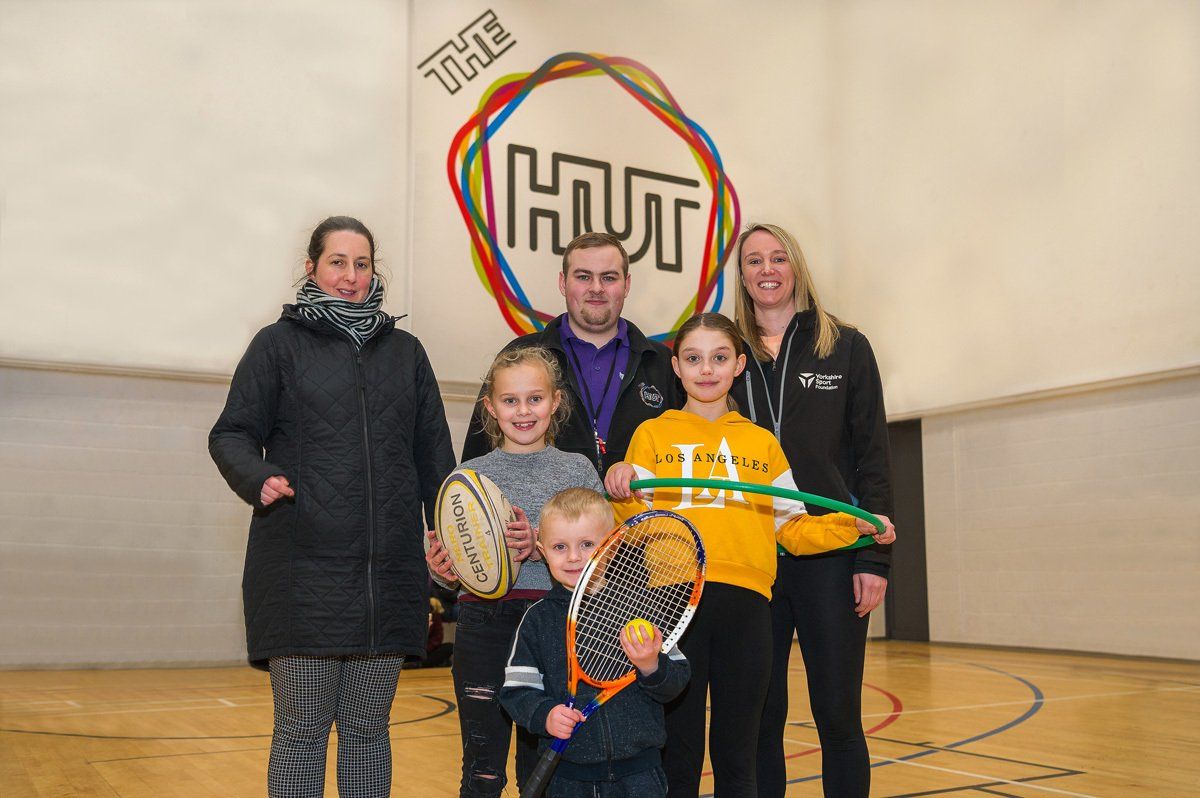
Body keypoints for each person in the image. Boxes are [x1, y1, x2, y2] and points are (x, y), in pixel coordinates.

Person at [209, 216, 454, 798]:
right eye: (338, 262)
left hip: (390, 576)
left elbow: (436, 459)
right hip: (300, 575)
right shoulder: (278, 344)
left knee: (370, 731)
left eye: (362, 264)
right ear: (312, 268)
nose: (350, 276)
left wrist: (450, 538)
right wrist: (259, 475)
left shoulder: (408, 353)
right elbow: (231, 434)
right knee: (301, 732)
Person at [605, 313, 895, 798]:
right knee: (680, 754)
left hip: (748, 609)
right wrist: (619, 489)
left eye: (719, 358)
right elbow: (631, 531)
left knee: (739, 756)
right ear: (675, 367)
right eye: (693, 359)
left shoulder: (762, 444)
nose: (706, 370)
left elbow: (795, 530)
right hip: (676, 605)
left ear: (739, 364)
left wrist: (855, 525)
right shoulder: (652, 436)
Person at [729, 223, 894, 798]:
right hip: (753, 559)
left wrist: (875, 557)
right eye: (753, 261)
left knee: (839, 716)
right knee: (760, 720)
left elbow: (873, 456)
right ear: (742, 275)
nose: (766, 269)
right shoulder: (727, 354)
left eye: (778, 258)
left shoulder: (845, 346)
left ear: (796, 267)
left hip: (830, 554)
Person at [425, 347, 605, 798]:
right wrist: (443, 571)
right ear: (490, 407)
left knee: (540, 767)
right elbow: (457, 571)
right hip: (482, 626)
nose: (523, 411)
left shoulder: (577, 470)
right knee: (483, 768)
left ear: (556, 401)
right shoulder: (468, 476)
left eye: (535, 399)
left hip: (552, 626)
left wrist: (541, 552)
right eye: (510, 401)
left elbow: (603, 557)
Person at [501, 487, 690, 797]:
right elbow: (516, 692)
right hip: (567, 779)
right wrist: (545, 714)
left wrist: (651, 666)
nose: (574, 557)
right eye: (560, 546)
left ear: (612, 545)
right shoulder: (537, 620)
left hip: (640, 775)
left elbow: (678, 681)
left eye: (587, 544)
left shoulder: (641, 609)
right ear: (542, 550)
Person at [461, 232, 681, 476]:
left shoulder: (662, 363)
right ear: (563, 282)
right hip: (540, 513)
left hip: (642, 512)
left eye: (609, 277)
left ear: (626, 285)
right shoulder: (521, 355)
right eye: (583, 276)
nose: (596, 288)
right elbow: (479, 458)